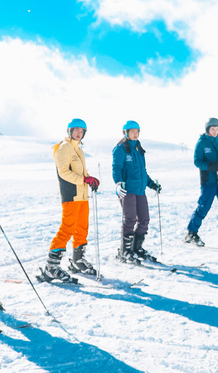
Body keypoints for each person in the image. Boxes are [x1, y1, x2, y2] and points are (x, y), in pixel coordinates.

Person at [40, 118, 100, 281]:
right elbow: (64, 172)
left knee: (82, 228)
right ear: (69, 131)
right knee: (67, 228)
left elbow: (81, 173)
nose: (79, 133)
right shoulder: (64, 148)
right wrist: (83, 180)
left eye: (82, 131)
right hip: (71, 195)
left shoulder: (79, 150)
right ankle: (51, 267)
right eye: (76, 130)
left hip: (82, 196)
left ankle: (77, 261)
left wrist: (90, 178)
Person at [112, 120, 162, 263]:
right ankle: (125, 251)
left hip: (140, 190)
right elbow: (116, 169)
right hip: (127, 190)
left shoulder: (139, 150)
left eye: (137, 131)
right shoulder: (120, 149)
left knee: (144, 219)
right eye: (132, 131)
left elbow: (143, 172)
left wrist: (151, 184)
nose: (135, 133)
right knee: (130, 219)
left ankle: (136, 248)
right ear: (126, 132)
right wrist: (118, 184)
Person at [184, 118, 218, 247]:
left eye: (217, 129)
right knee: (203, 207)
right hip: (208, 182)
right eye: (212, 129)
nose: (215, 131)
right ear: (207, 130)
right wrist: (210, 166)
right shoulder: (202, 143)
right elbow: (197, 161)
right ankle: (191, 233)